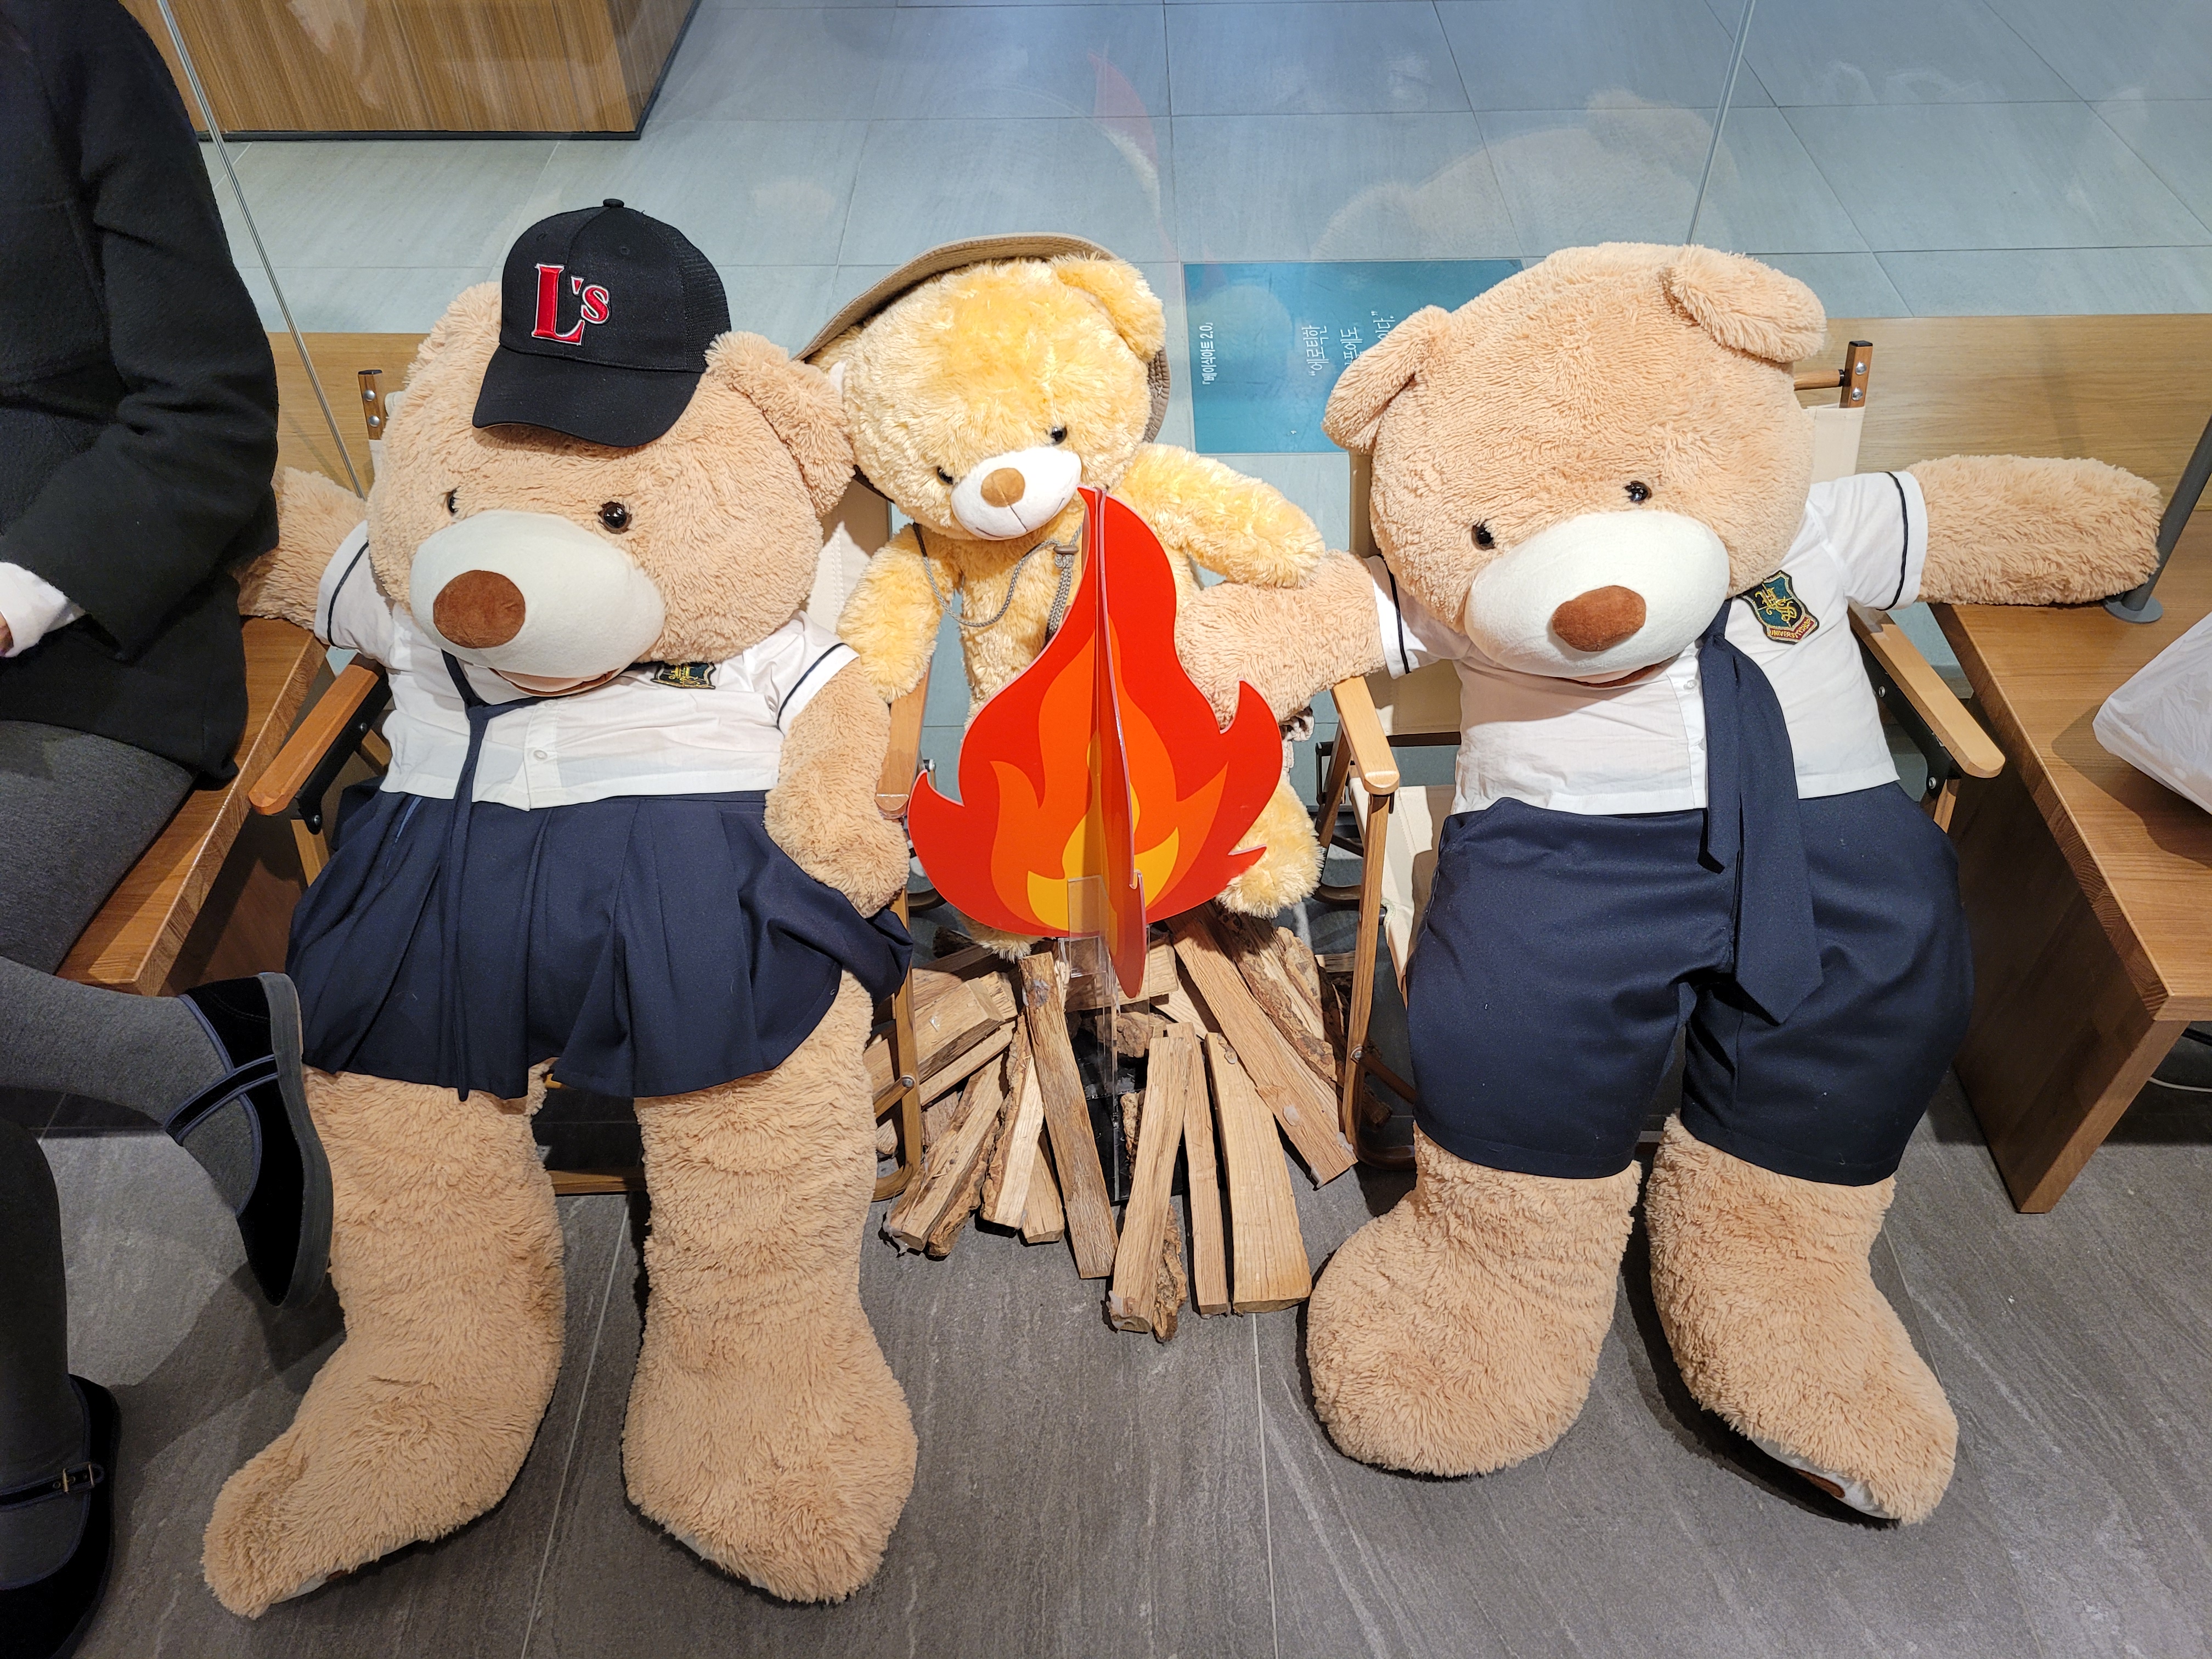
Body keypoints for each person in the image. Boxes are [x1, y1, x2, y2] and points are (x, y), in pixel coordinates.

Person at [0, 3, 331, 1654]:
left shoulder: (57, 41)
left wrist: (14, 594)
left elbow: (206, 408)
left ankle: (22, 1453)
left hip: (76, 634)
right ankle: (193, 1064)